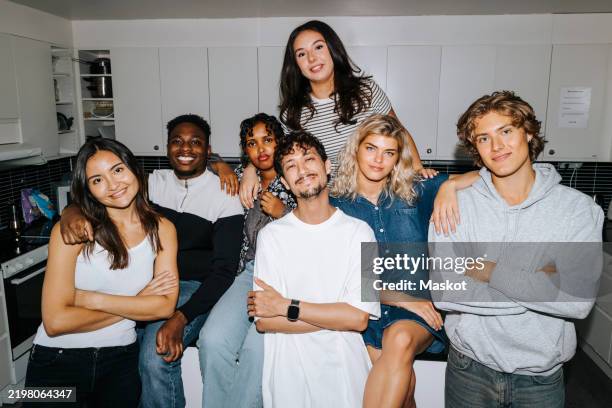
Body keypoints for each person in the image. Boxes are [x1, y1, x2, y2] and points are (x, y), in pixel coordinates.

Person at [429, 91, 603, 408]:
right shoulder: (455, 206)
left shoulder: (577, 210)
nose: (497, 147)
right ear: (476, 149)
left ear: (529, 132)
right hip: (469, 369)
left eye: (506, 131)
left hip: (540, 376)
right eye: (484, 138)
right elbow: (445, 292)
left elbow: (576, 301)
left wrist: (486, 269)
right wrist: (541, 282)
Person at [60, 114, 244, 408]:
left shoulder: (225, 194)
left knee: (155, 356)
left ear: (208, 151)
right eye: (177, 141)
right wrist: (71, 211)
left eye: (196, 142)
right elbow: (98, 194)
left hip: (191, 286)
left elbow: (223, 272)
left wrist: (180, 317)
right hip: (143, 281)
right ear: (167, 148)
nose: (186, 148)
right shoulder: (150, 183)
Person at [330, 114, 478, 408]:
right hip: (365, 314)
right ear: (355, 149)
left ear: (398, 158)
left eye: (389, 152)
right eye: (371, 148)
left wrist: (449, 186)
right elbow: (337, 277)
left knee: (398, 343)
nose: (378, 160)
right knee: (404, 389)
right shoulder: (334, 206)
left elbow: (486, 175)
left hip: (418, 315)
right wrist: (401, 299)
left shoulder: (417, 192)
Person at [25, 138, 179, 407]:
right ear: (89, 190)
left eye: (117, 170)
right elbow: (55, 321)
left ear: (133, 169)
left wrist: (88, 298)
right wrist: (137, 301)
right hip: (54, 361)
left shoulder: (163, 229)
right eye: (97, 180)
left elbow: (164, 307)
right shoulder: (71, 232)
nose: (112, 185)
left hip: (121, 361)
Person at [239, 20, 437, 208]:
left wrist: (418, 169)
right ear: (296, 65)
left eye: (318, 47)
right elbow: (278, 155)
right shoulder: (293, 114)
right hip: (333, 206)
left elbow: (398, 133)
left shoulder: (366, 92)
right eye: (301, 54)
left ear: (332, 49)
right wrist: (250, 169)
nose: (311, 58)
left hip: (380, 199)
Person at [248, 130, 380, 407]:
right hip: (287, 379)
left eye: (308, 159)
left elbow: (359, 320)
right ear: (284, 181)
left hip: (345, 377)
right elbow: (264, 321)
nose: (302, 170)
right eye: (291, 165)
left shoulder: (363, 233)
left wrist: (286, 305)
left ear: (327, 166)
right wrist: (334, 315)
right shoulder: (270, 237)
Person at [199, 113, 295, 408]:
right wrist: (226, 166)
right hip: (245, 275)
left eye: (268, 140)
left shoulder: (296, 175)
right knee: (212, 341)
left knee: (257, 352)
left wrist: (285, 215)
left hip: (285, 279)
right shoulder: (242, 177)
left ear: (280, 141)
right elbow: (202, 156)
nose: (261, 149)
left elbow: (319, 230)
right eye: (252, 144)